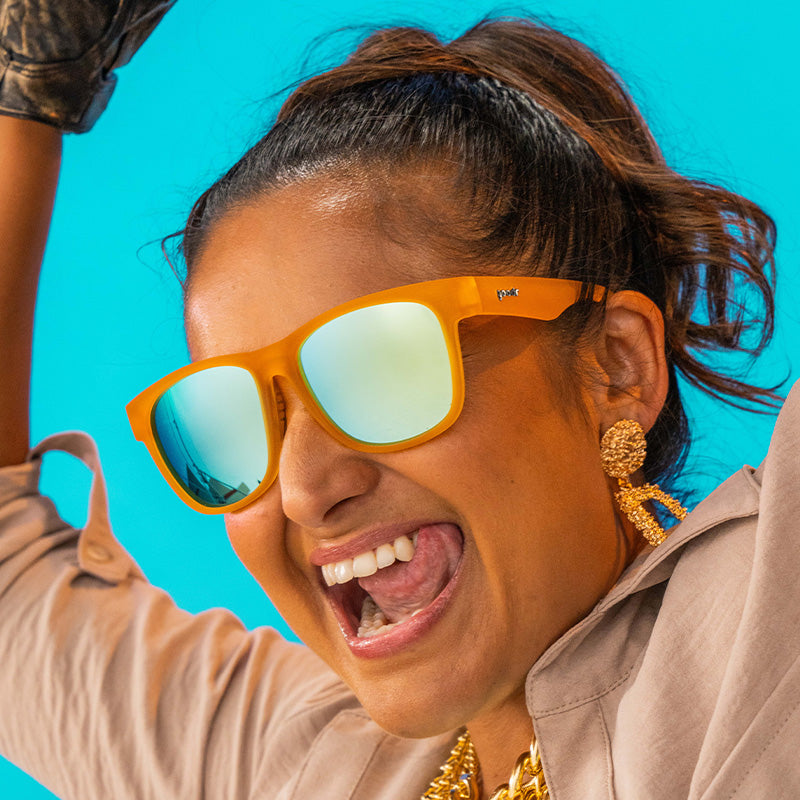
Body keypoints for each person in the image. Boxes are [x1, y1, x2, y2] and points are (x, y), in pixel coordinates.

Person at [1, 1, 799, 798]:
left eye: (377, 372)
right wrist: (21, 89)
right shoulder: (309, 769)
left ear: (616, 367)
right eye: (238, 419)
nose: (307, 489)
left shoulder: (773, 620)